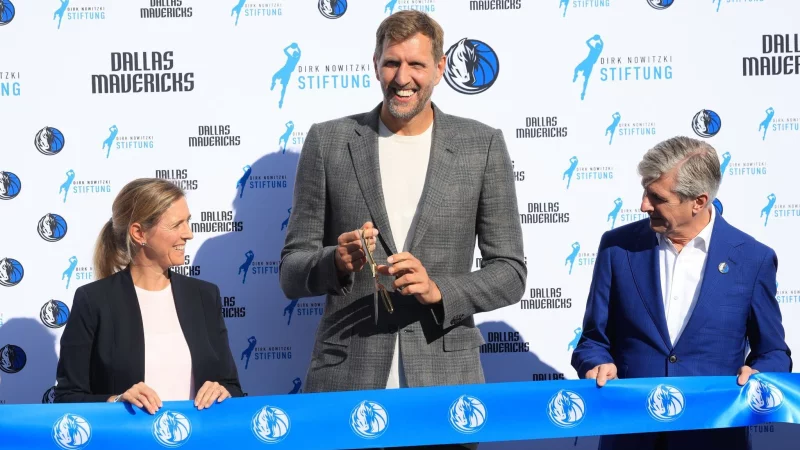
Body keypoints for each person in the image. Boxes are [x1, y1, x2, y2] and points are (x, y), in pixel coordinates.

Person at [280, 7, 525, 416]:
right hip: (345, 384)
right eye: (392, 62)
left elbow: (510, 273)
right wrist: (335, 261)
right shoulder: (328, 142)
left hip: (447, 387)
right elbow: (291, 271)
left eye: (416, 64)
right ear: (375, 65)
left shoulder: (481, 145)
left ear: (441, 67)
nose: (402, 77)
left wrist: (439, 290)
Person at [571, 136, 792, 450]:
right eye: (645, 192)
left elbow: (773, 352)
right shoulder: (617, 248)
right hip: (631, 436)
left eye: (657, 197)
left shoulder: (752, 259)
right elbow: (593, 341)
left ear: (698, 202)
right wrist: (596, 364)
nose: (644, 205)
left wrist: (761, 375)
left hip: (713, 439)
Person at [55, 178, 243, 413]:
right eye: (177, 225)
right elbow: (66, 398)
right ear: (139, 233)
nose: (189, 234)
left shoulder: (204, 296)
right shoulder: (93, 301)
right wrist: (117, 400)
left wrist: (222, 391)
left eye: (188, 222)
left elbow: (233, 386)